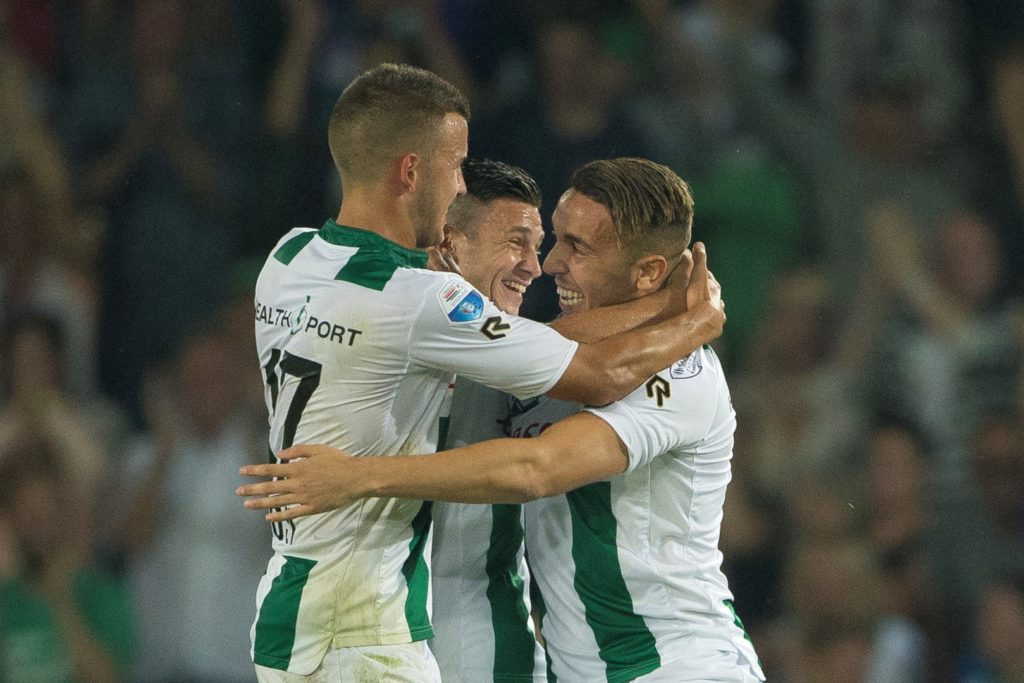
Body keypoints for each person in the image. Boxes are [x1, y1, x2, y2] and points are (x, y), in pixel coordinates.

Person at [246, 63, 724, 682]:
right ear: (442, 234)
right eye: (519, 242)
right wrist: (690, 314)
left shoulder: (289, 256)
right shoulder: (426, 304)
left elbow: (542, 348)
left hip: (352, 618)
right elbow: (584, 383)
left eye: (555, 244)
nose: (541, 265)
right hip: (364, 623)